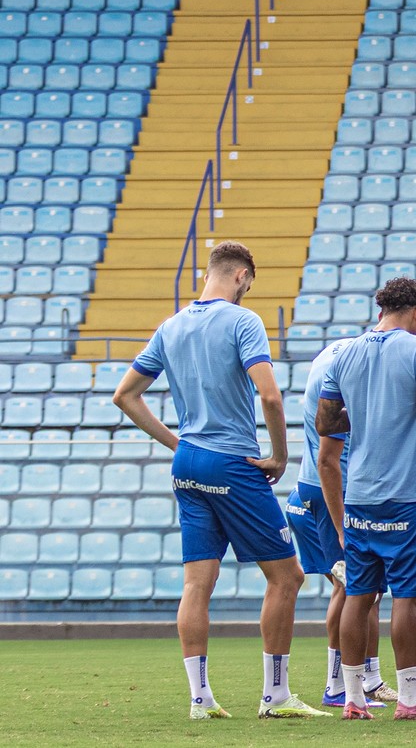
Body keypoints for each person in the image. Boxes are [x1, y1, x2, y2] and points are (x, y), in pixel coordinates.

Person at [110, 241, 322, 719]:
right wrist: (279, 456)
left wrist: (179, 444)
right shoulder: (242, 321)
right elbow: (269, 397)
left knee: (196, 585)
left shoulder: (171, 326)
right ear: (243, 276)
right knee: (287, 575)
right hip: (233, 463)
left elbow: (125, 396)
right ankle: (276, 696)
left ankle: (199, 699)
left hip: (188, 465)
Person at [315, 277, 416, 720]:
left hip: (360, 494)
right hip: (406, 495)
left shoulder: (345, 352)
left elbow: (326, 420)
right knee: (409, 598)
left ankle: (351, 697)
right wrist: (406, 404)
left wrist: (368, 411)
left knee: (359, 595)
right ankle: (409, 699)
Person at [287, 333, 364, 711]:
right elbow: (331, 454)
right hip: (334, 485)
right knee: (349, 585)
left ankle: (351, 679)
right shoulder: (352, 363)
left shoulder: (329, 354)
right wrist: (340, 523)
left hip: (311, 484)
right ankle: (337, 684)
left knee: (346, 584)